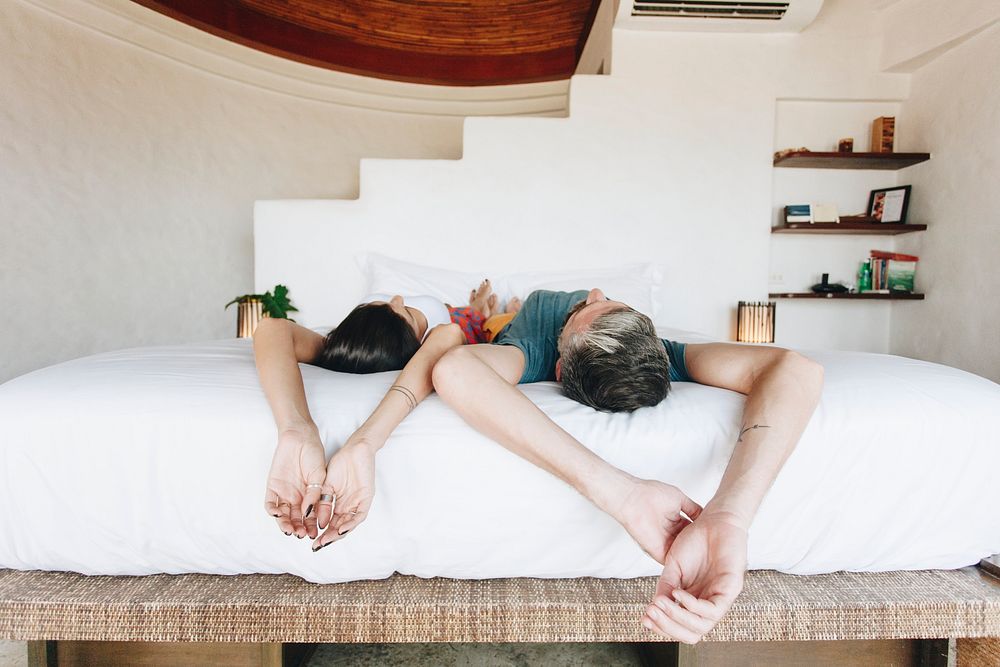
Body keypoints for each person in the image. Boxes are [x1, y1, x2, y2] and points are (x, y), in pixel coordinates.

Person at [292, 288, 823, 644]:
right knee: (487, 318)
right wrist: (621, 492)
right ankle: (488, 304)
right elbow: (453, 364)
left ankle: (491, 306)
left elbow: (793, 368)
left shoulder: (624, 349)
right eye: (602, 301)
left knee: (496, 321)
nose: (592, 293)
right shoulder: (561, 330)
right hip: (521, 324)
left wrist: (729, 517)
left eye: (592, 307)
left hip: (538, 331)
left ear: (560, 365)